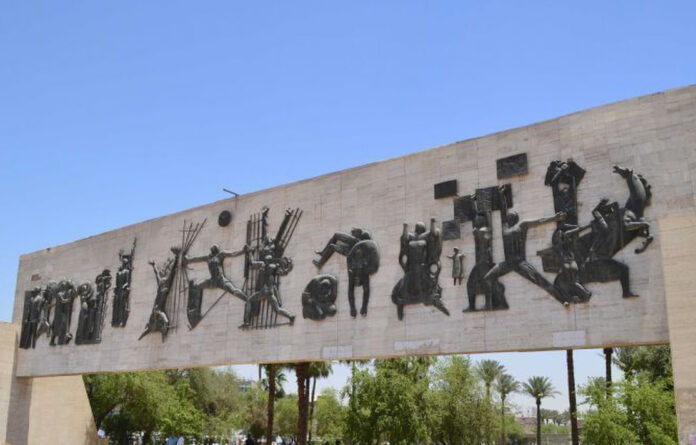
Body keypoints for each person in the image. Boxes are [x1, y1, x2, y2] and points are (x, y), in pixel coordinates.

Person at [484, 185, 567, 304]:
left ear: (515, 218)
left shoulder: (522, 225)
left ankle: (562, 299)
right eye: (508, 215)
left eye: (511, 214)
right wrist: (502, 195)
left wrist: (555, 218)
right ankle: (499, 299)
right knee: (487, 277)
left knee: (540, 281)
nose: (508, 215)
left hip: (520, 263)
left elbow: (539, 221)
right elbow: (503, 210)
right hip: (507, 263)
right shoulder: (505, 228)